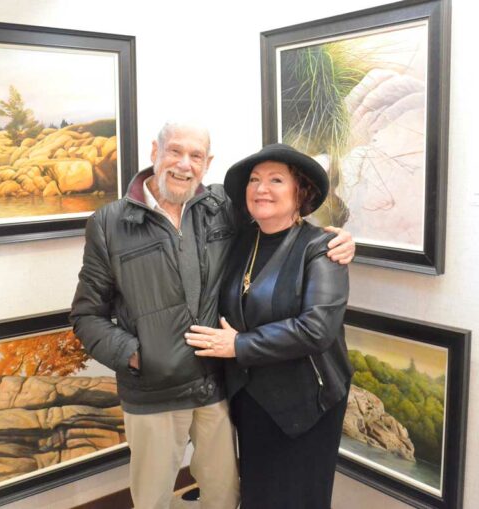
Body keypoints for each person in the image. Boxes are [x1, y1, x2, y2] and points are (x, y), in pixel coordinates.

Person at [70, 124, 354, 509]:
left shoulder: (221, 209)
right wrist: (138, 355)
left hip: (217, 390)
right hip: (155, 391)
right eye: (175, 152)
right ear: (155, 151)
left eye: (196, 156)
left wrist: (344, 238)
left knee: (226, 497)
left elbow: (287, 231)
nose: (184, 165)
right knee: (152, 500)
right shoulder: (109, 223)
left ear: (208, 164)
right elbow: (87, 315)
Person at [185, 143, 353, 509]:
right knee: (260, 495)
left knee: (298, 498)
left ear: (301, 193)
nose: (262, 188)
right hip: (252, 398)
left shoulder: (322, 248)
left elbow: (317, 329)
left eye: (276, 180)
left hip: (307, 403)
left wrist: (239, 345)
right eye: (255, 180)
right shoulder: (241, 239)